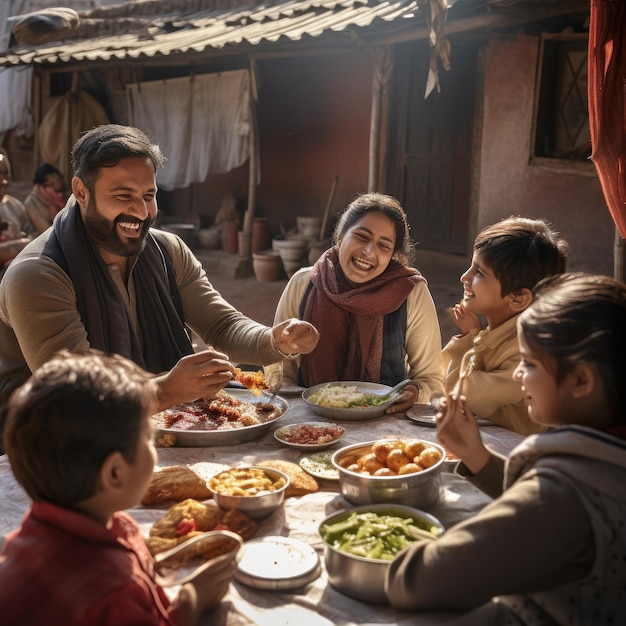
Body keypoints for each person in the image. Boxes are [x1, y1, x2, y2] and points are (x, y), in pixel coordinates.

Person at [0, 124, 318, 425]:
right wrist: (166, 390)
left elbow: (221, 325)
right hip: (46, 446)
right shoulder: (37, 275)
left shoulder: (168, 250)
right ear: (81, 192)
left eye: (149, 196)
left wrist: (275, 339)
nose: (141, 212)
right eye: (123, 195)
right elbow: (75, 396)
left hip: (155, 424)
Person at [386, 272, 626, 624]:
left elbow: (417, 582)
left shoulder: (563, 497)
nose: (518, 375)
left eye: (529, 364)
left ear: (580, 380)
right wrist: (479, 458)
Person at [0, 349, 238, 625]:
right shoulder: (116, 589)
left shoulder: (30, 533)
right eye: (148, 440)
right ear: (114, 473)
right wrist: (191, 602)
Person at [268, 192, 444, 413]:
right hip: (313, 421)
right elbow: (279, 365)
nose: (369, 252)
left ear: (393, 256)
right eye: (361, 236)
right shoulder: (304, 284)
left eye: (384, 246)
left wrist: (415, 393)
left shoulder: (411, 292)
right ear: (341, 238)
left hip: (385, 425)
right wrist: (300, 413)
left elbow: (432, 379)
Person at [439, 216, 569, 435]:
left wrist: (470, 339)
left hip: (511, 455)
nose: (464, 277)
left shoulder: (527, 351)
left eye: (479, 272)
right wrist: (470, 336)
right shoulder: (499, 332)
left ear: (518, 298)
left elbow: (457, 394)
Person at [0, 150, 32, 272]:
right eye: (0, 173)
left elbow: (29, 233)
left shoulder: (15, 206)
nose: (4, 180)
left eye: (5, 174)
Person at [23, 162, 67, 235]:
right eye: (49, 185)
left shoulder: (67, 197)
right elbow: (46, 232)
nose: (61, 181)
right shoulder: (32, 202)